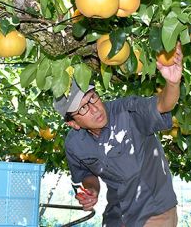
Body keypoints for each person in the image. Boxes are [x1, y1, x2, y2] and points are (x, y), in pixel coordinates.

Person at [53, 42, 183, 227]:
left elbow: (163, 105)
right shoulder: (74, 144)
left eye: (92, 98)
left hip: (154, 210)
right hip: (117, 213)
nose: (94, 109)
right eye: (82, 109)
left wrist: (172, 82)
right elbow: (87, 174)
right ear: (72, 123)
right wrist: (91, 190)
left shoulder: (127, 111)